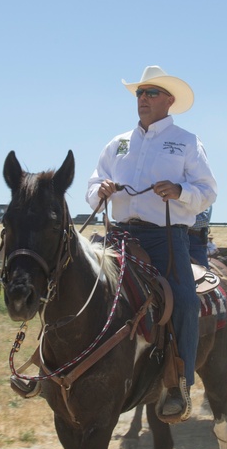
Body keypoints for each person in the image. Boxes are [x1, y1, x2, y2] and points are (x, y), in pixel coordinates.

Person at [86, 65, 217, 423]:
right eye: (140, 93)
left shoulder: (187, 142)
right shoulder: (118, 143)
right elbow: (93, 184)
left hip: (166, 238)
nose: (143, 99)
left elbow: (208, 192)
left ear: (169, 101)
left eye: (151, 93)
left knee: (186, 302)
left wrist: (179, 191)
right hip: (119, 236)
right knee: (79, 285)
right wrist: (101, 191)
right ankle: (59, 367)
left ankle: (179, 385)